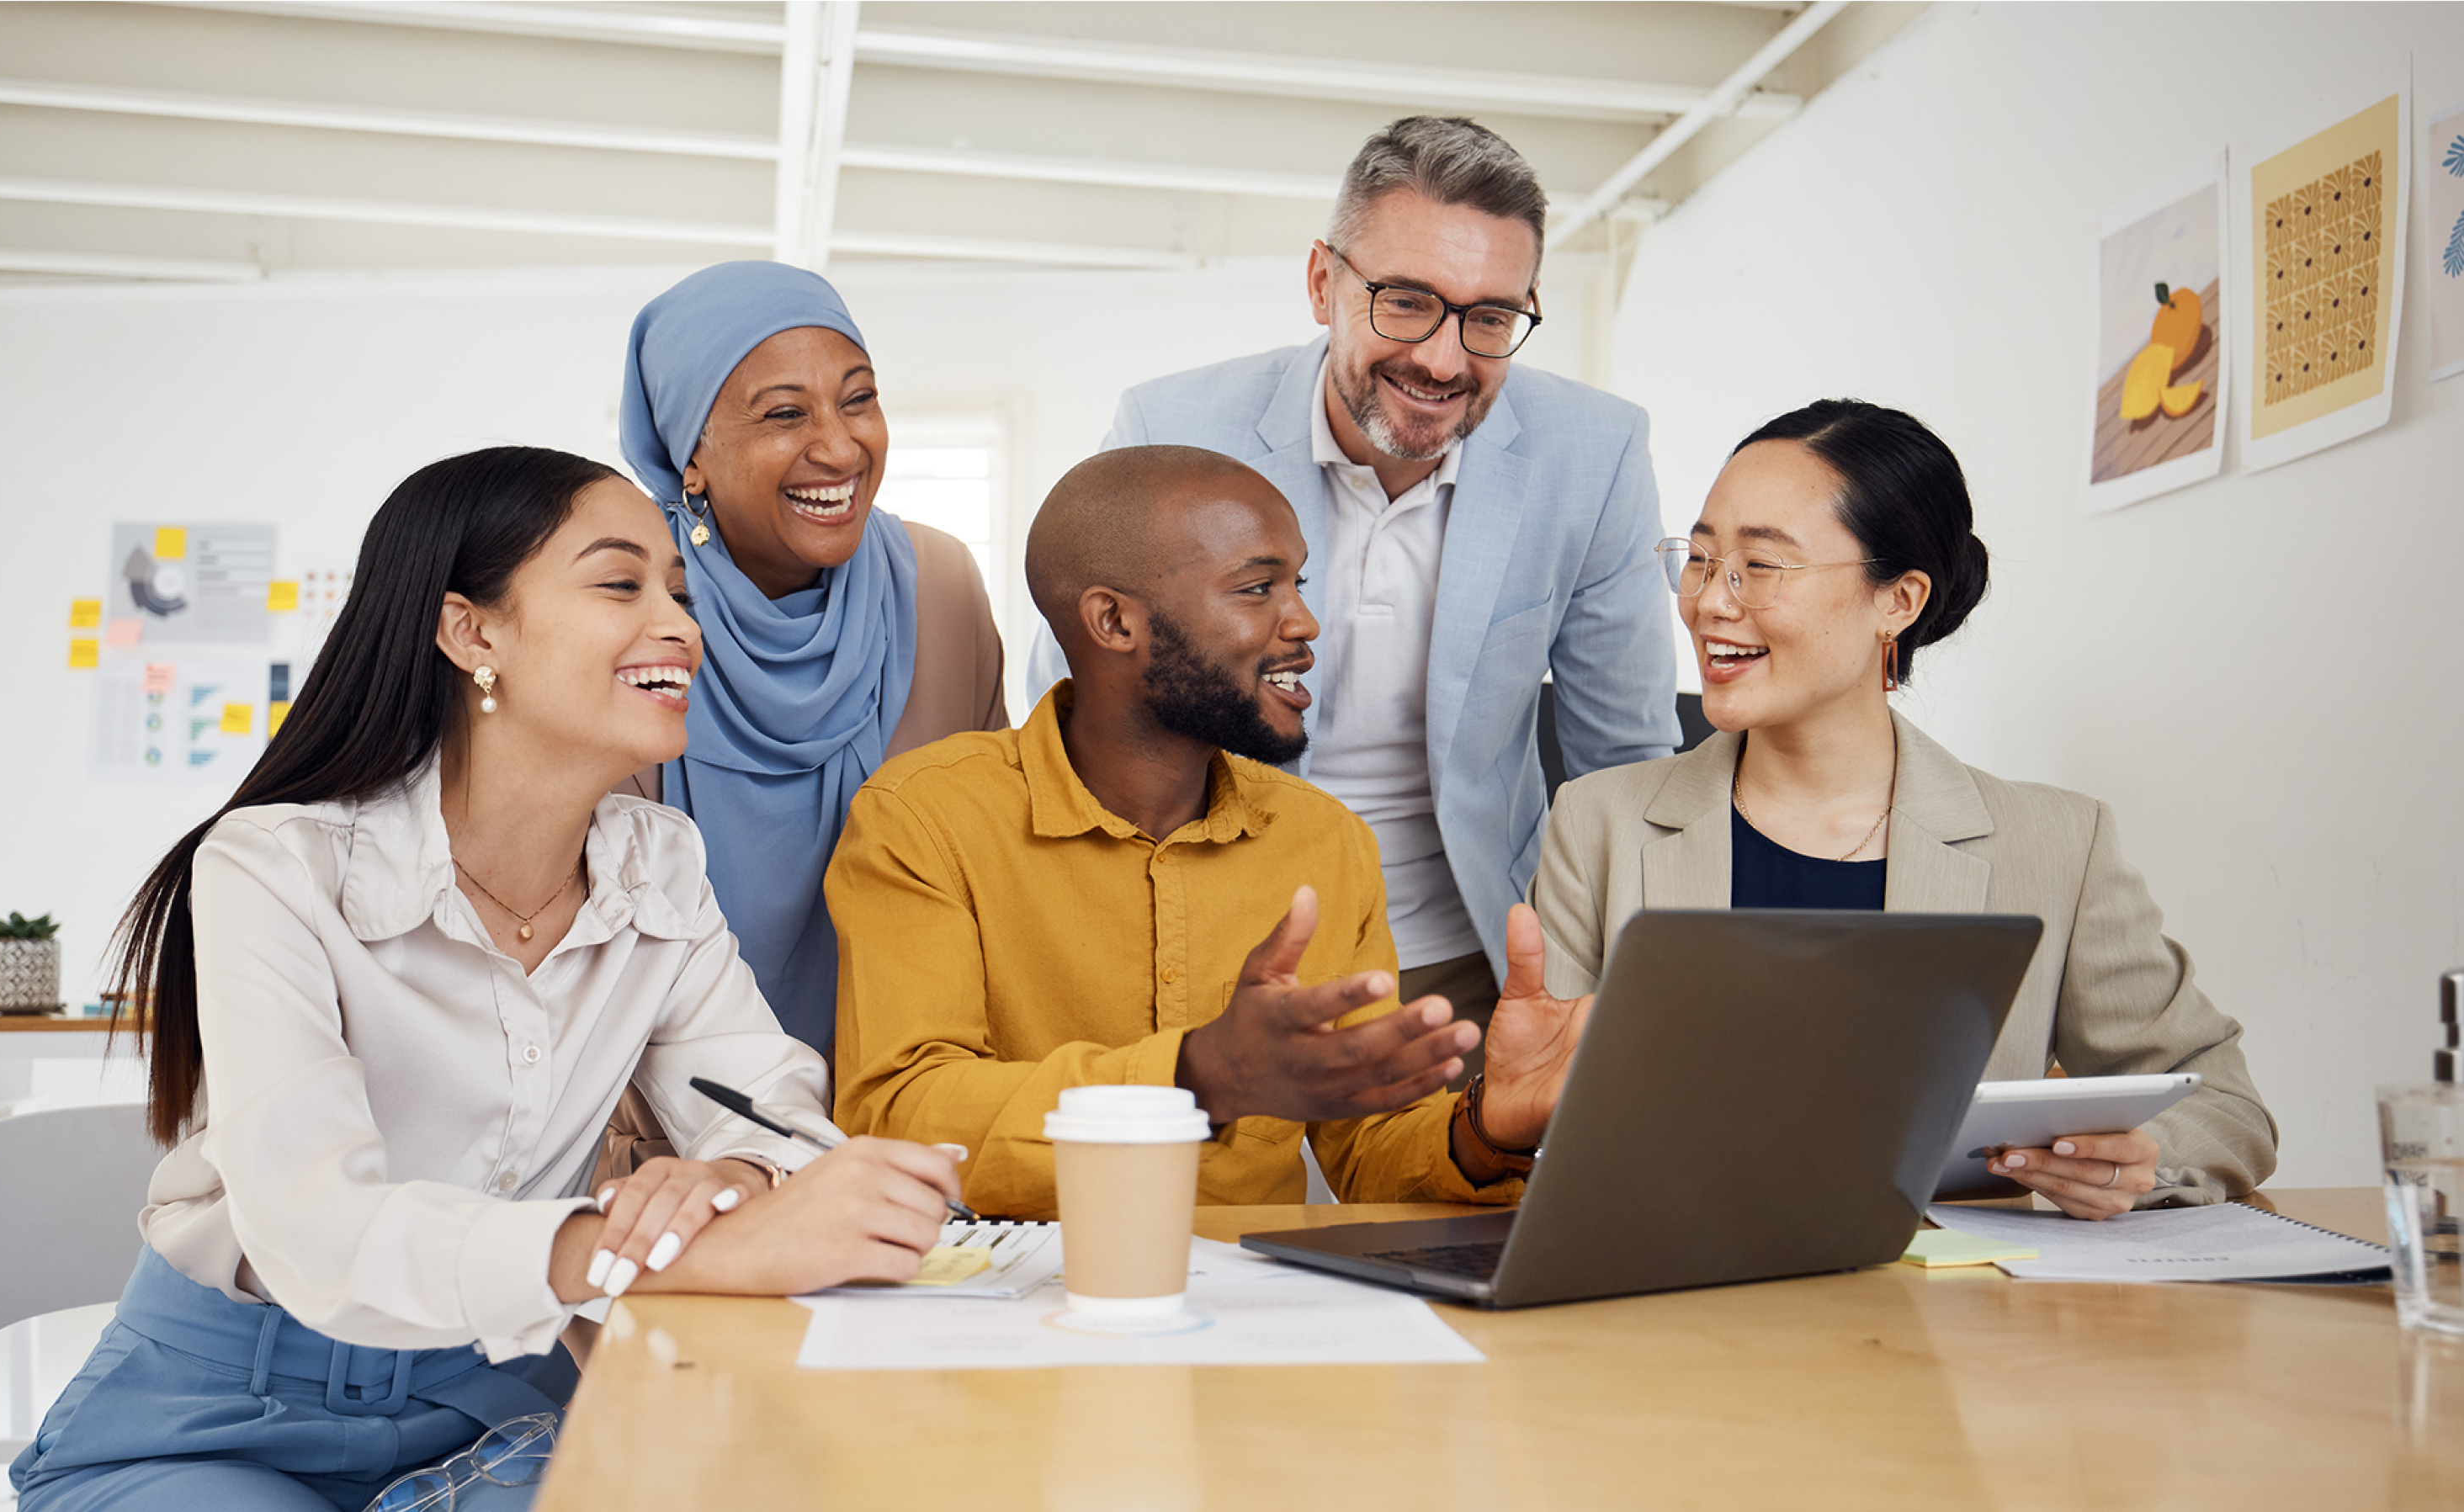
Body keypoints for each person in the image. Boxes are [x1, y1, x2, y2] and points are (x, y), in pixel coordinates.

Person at [19, 448, 961, 1510]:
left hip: (487, 1403)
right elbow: (316, 1231)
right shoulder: (274, 866)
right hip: (212, 1421)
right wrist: (648, 1254)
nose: (681, 626)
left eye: (678, 592)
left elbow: (770, 1107)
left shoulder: (659, 866)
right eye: (621, 584)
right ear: (472, 633)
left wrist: (732, 1184)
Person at [1026, 117, 1676, 1072]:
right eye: (1406, 302)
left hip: (1468, 959)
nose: (1446, 361)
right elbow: (1078, 727)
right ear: (1323, 283)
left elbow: (1625, 766)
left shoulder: (1595, 452)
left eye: (1490, 318)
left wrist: (1648, 1010)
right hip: (1213, 945)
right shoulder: (1171, 427)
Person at [1529, 401, 2276, 1218]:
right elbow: (1543, 1116)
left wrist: (2130, 1163)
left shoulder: (2058, 844)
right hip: (1678, 1297)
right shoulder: (1596, 824)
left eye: (1762, 565)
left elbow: (2227, 1108)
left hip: (1950, 1317)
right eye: (1701, 558)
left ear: (1899, 600)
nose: (1710, 601)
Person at [830, 445, 1592, 1217]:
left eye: (1298, 583)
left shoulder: (1325, 843)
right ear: (1114, 621)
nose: (1304, 622)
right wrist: (1196, 1074)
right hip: (1016, 1303)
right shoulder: (922, 819)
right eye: (1258, 588)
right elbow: (901, 1112)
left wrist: (1488, 1124)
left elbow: (1369, 1147)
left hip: (1256, 1312)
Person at [619, 261, 1007, 1064]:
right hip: (670, 1102)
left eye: (859, 398)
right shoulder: (627, 609)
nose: (839, 446)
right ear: (689, 453)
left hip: (908, 1080)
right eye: (785, 413)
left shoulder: (939, 587)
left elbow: (992, 854)